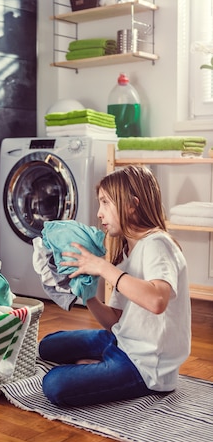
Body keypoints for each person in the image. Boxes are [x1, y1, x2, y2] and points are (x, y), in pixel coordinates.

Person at [39, 165, 192, 407]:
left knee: (55, 384)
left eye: (105, 203)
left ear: (131, 205)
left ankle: (105, 369)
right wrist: (88, 296)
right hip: (122, 341)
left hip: (146, 365)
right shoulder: (125, 252)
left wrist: (102, 268)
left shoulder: (157, 243)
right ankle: (102, 366)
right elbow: (114, 321)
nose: (99, 214)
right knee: (47, 346)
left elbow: (157, 301)